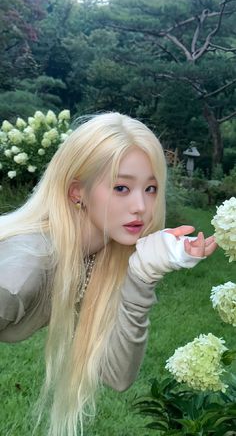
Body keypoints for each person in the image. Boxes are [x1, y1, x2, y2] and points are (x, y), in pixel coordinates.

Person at [0, 112, 216, 436]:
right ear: (77, 192)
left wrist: (142, 276)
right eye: (121, 187)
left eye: (151, 188)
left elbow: (115, 374)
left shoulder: (95, 255)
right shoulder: (22, 270)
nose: (141, 206)